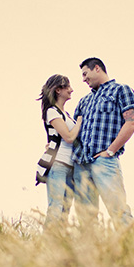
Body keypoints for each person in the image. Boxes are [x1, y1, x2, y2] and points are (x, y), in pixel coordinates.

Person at [72, 58, 134, 226]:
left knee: (118, 210)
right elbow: (73, 133)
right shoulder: (83, 101)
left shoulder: (121, 91)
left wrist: (110, 151)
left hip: (105, 161)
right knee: (85, 219)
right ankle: (93, 252)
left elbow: (131, 123)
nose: (83, 79)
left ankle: (132, 249)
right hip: (81, 164)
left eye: (85, 74)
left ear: (97, 68)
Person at [36, 74, 82, 226]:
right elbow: (69, 137)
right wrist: (81, 121)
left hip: (71, 166)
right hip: (58, 164)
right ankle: (47, 244)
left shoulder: (66, 115)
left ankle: (59, 246)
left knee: (65, 210)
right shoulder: (52, 112)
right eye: (67, 87)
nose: (71, 90)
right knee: (55, 207)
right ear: (58, 90)